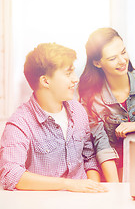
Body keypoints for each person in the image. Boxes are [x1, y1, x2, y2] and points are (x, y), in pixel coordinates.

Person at [0, 43, 106, 192]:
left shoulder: (78, 110)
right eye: (68, 73)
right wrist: (68, 185)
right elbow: (11, 175)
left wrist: (94, 191)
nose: (75, 79)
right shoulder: (19, 123)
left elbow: (89, 159)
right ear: (45, 81)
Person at [78, 28, 135, 182]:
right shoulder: (91, 99)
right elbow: (102, 146)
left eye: (123, 52)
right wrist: (116, 188)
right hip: (117, 169)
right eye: (113, 58)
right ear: (97, 63)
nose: (122, 61)